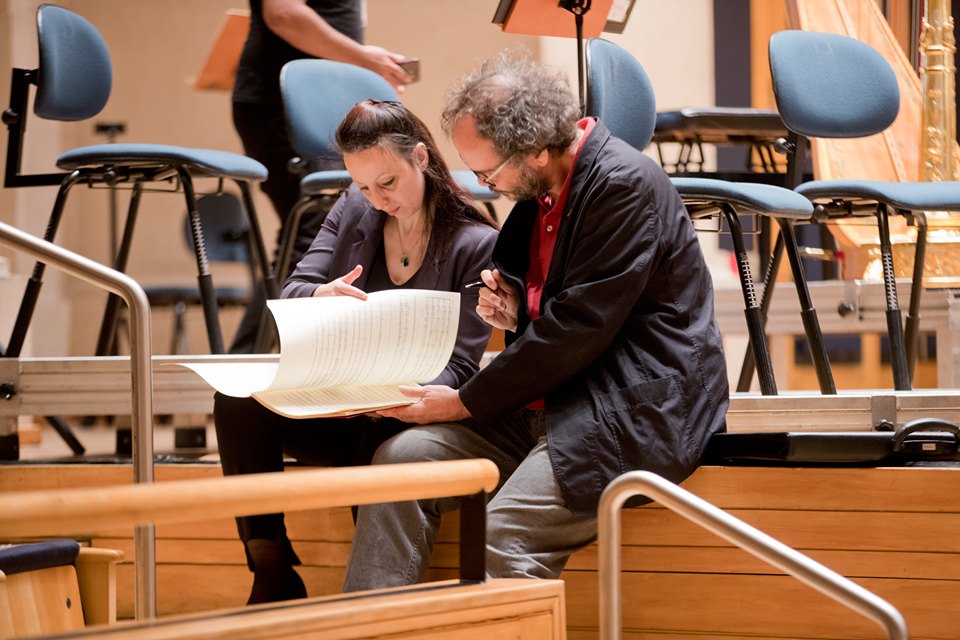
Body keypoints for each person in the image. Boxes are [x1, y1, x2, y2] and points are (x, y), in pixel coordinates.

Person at [340, 54, 729, 591]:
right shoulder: (543, 188)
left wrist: (461, 401)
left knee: (503, 536)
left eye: (486, 172)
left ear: (536, 150)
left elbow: (577, 329)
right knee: (399, 466)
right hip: (554, 401)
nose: (482, 183)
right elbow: (569, 306)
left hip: (630, 406)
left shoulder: (623, 185)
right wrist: (520, 307)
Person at [214, 99, 499, 604]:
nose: (376, 199)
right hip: (340, 403)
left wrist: (394, 394)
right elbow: (295, 289)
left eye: (386, 183)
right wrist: (321, 295)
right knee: (236, 400)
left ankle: (372, 602)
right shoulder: (353, 207)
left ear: (421, 159)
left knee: (381, 443)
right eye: (363, 186)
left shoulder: (474, 242)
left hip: (402, 412)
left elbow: (459, 367)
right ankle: (271, 570)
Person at [230, 0, 414, 353]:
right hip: (281, 102)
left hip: (312, 97)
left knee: (311, 234)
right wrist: (363, 58)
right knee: (312, 231)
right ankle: (245, 366)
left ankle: (259, 361)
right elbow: (282, 13)